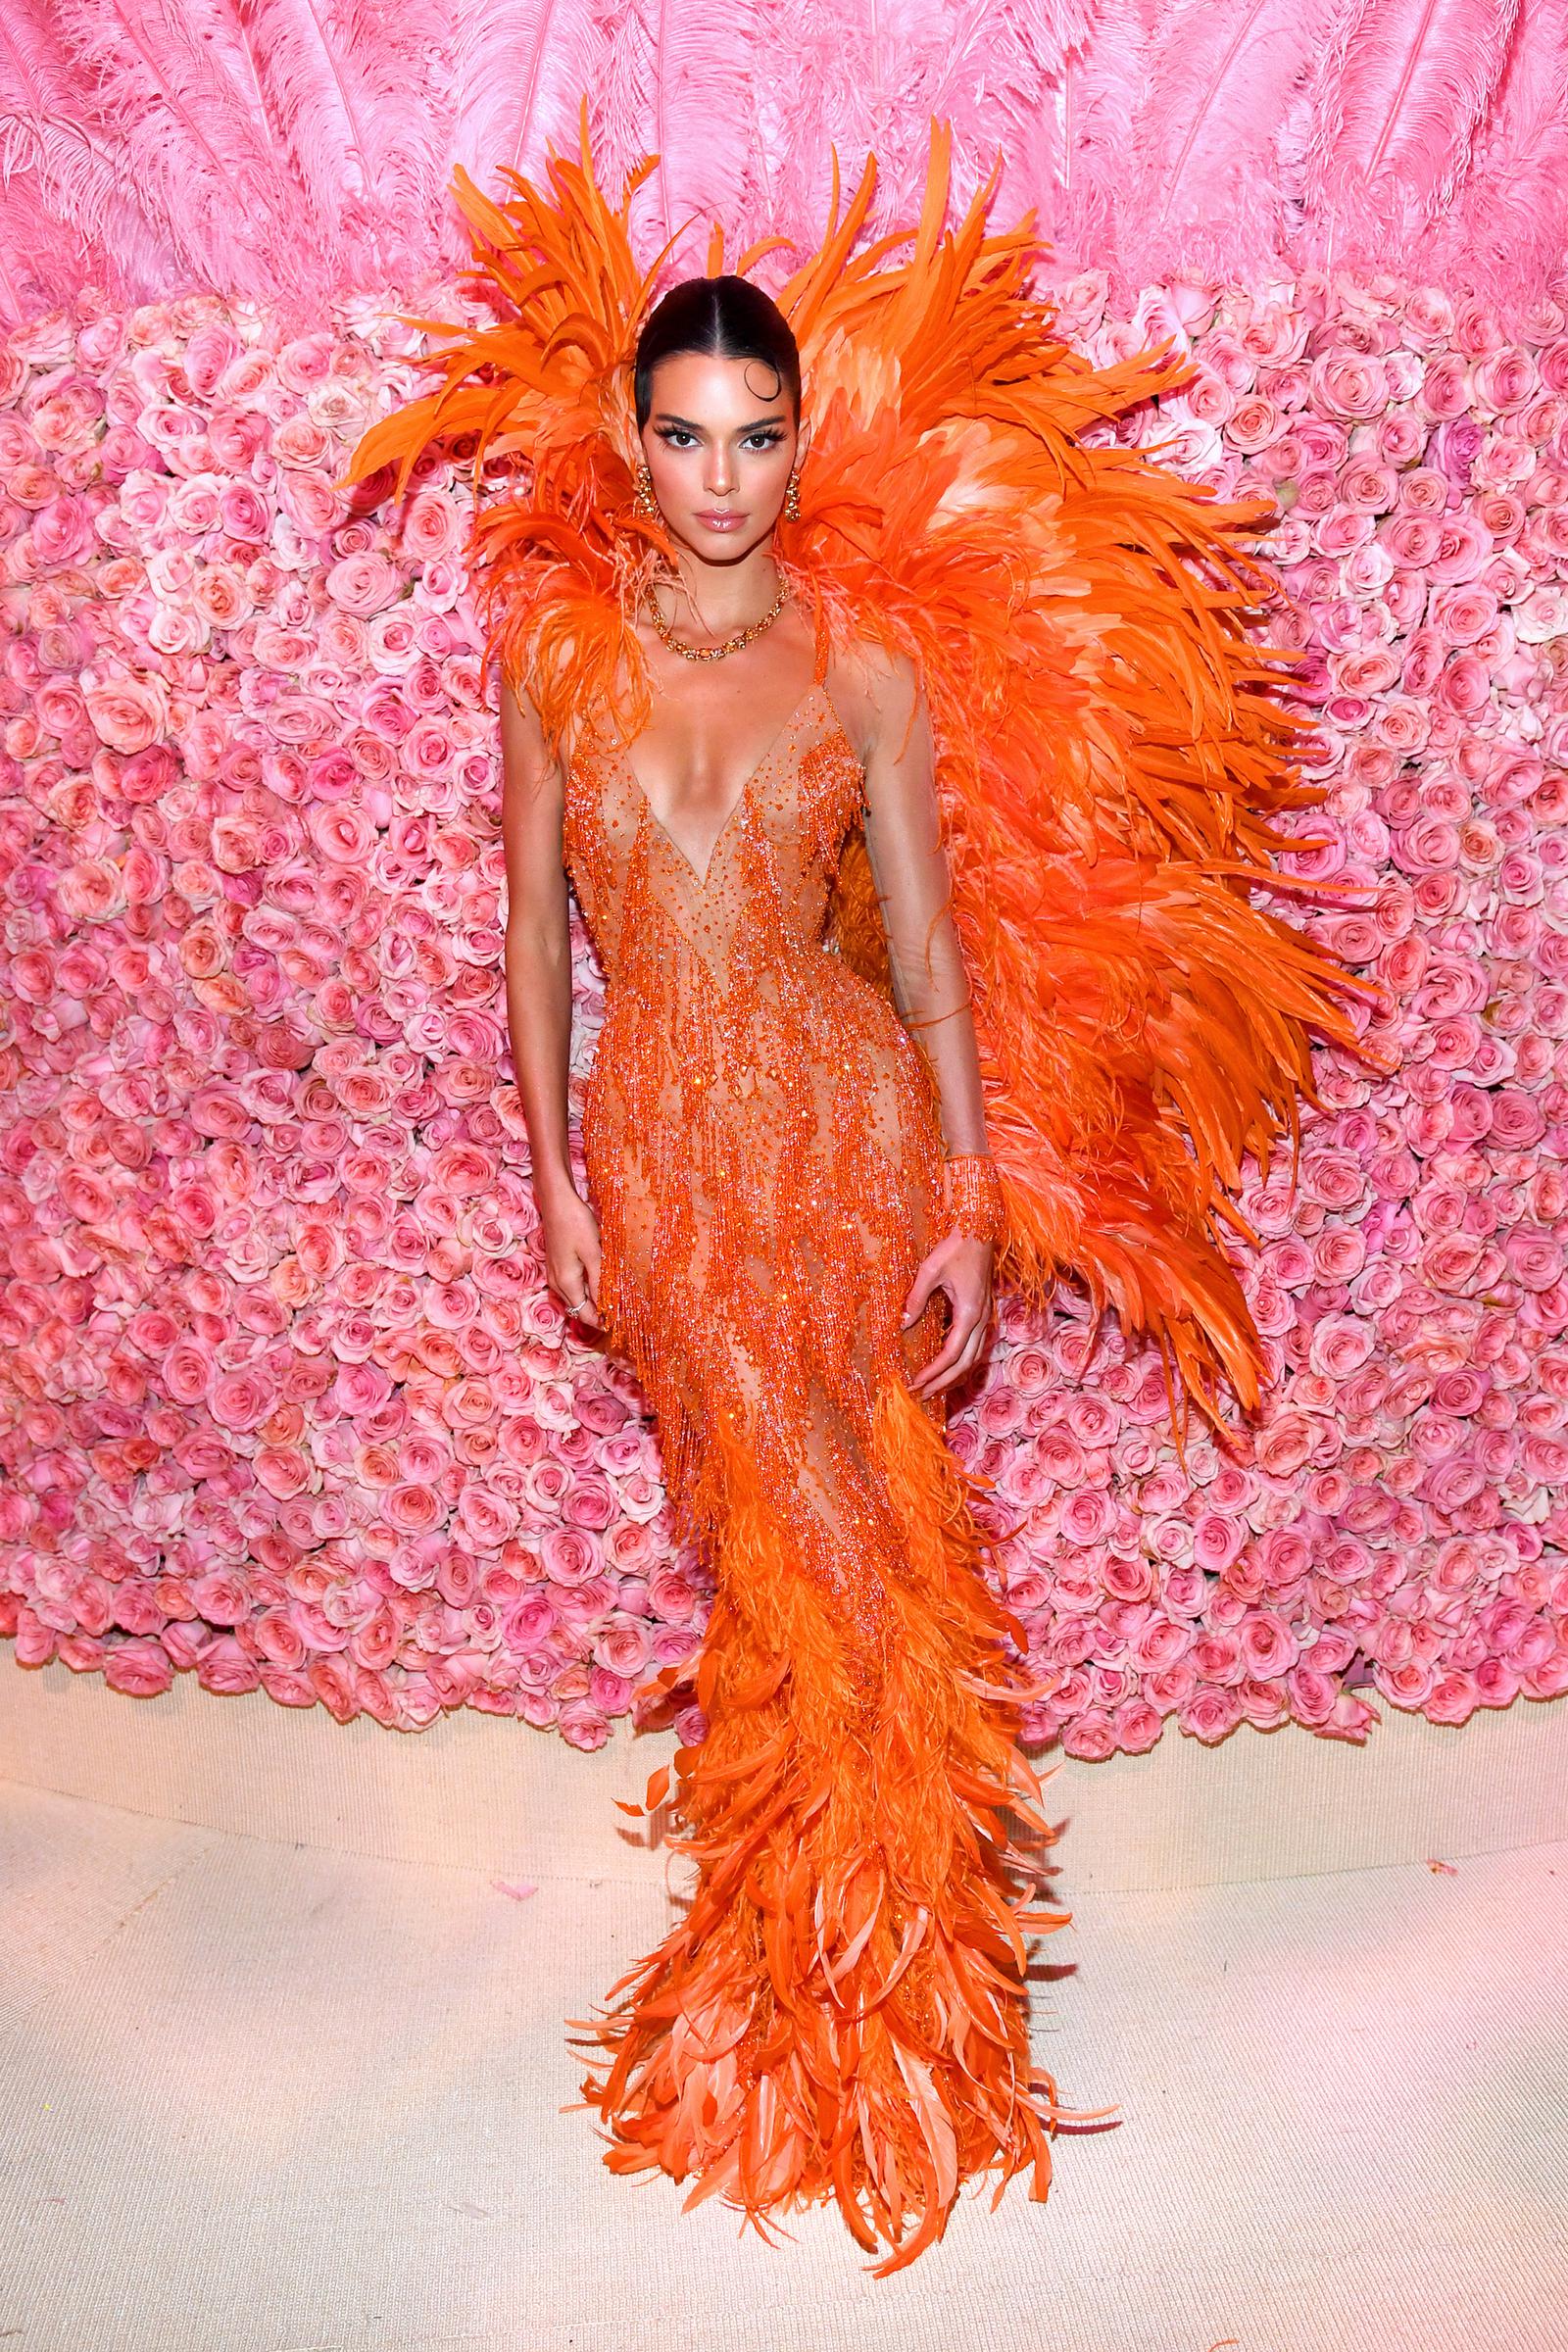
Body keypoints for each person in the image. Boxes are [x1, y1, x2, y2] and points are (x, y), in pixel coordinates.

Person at [345, 122, 1368, 2276]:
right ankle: (823, 1967)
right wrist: (550, 1175)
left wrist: (968, 1188)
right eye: (685, 433)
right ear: (632, 440)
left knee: (867, 1551)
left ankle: (876, 1991)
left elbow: (917, 953)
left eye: (757, 435)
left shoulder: (864, 669)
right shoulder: (552, 659)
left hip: (846, 1134)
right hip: (665, 1153)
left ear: (798, 444)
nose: (720, 473)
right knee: (785, 1556)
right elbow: (532, 935)